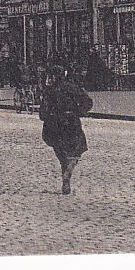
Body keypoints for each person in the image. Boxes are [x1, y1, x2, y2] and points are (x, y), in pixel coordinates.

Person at [38, 64, 93, 195]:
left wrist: (46, 117)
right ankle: (68, 171)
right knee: (76, 149)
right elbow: (88, 101)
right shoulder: (72, 88)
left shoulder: (49, 90)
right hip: (70, 121)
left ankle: (65, 173)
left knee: (60, 150)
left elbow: (43, 110)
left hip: (54, 124)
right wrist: (80, 111)